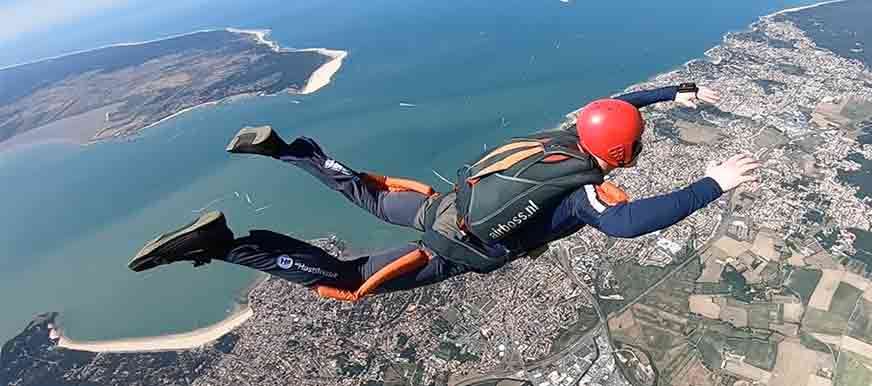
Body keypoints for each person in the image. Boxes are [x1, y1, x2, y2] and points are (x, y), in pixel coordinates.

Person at [127, 83, 760, 302]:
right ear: (620, 153)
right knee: (346, 281)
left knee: (370, 195)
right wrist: (713, 183)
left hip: (441, 204)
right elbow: (630, 224)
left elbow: (618, 104)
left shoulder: (569, 135)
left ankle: (291, 151)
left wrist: (677, 94)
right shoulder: (581, 191)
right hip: (446, 248)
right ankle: (229, 245)